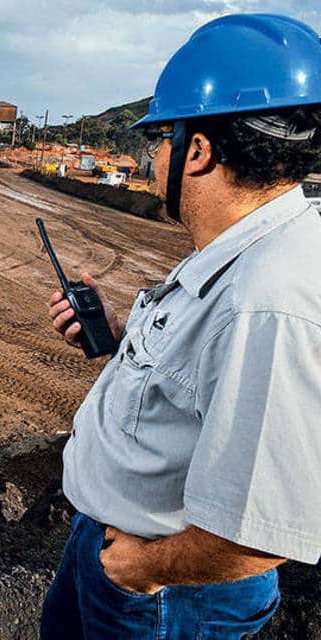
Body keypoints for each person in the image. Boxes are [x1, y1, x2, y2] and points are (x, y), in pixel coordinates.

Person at [40, 13, 321, 639]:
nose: (152, 156)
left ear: (198, 151)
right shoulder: (244, 247)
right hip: (120, 551)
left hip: (168, 589)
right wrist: (117, 344)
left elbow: (262, 530)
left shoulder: (269, 298)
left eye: (160, 139)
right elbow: (200, 382)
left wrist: (142, 569)